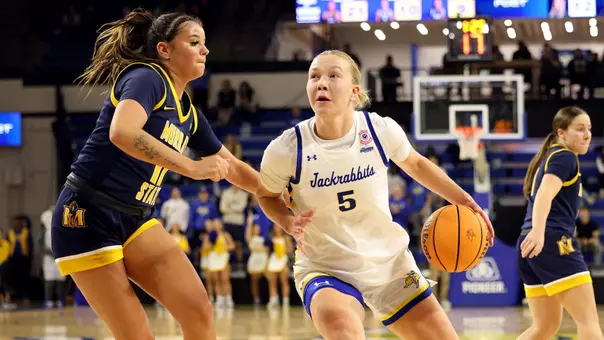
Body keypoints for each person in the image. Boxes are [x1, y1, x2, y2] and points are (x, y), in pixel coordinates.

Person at [50, 9, 260, 340]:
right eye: (194, 42)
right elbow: (122, 132)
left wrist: (279, 197)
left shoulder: (189, 115)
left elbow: (232, 166)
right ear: (164, 50)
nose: (204, 50)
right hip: (88, 212)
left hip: (136, 217)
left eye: (204, 43)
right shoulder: (147, 77)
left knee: (199, 312)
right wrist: (191, 166)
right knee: (136, 335)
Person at [256, 49, 494, 340]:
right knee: (344, 331)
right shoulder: (286, 149)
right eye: (314, 76)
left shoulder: (379, 129)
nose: (321, 83)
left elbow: (417, 164)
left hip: (389, 264)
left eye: (333, 76)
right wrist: (287, 222)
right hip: (326, 267)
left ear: (354, 92)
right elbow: (266, 195)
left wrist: (465, 200)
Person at [518, 106, 603, 340]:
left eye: (589, 129)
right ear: (562, 132)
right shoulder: (565, 156)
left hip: (530, 243)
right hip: (551, 239)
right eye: (580, 129)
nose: (587, 134)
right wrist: (538, 232)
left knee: (544, 327)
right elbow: (545, 193)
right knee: (588, 322)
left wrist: (534, 234)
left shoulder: (551, 156)